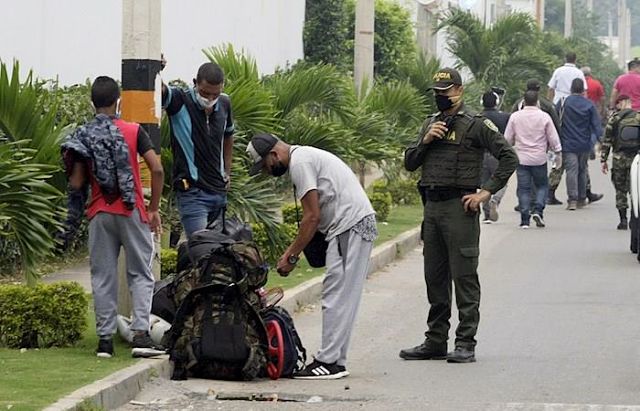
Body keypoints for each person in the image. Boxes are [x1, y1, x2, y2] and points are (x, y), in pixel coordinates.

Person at [400, 68, 518, 363]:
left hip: (459, 208)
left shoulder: (476, 124)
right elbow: (410, 163)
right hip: (433, 208)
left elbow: (509, 157)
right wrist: (426, 140)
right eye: (437, 92)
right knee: (435, 277)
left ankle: (465, 342)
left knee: (464, 277)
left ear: (459, 91)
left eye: (446, 91)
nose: (441, 96)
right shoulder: (430, 123)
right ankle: (435, 340)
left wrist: (485, 192)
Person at [246, 133, 377, 379]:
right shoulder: (304, 156)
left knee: (335, 296)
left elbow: (312, 217)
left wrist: (291, 256)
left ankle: (329, 362)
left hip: (349, 226)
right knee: (343, 296)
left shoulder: (300, 163)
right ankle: (336, 360)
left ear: (274, 154)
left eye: (265, 165)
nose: (266, 171)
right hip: (354, 224)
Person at [62, 76, 164, 358]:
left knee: (103, 276)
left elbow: (77, 182)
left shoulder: (82, 135)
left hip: (99, 213)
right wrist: (153, 208)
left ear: (91, 102)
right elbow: (156, 169)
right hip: (132, 211)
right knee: (140, 273)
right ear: (118, 101)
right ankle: (141, 336)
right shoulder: (133, 131)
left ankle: (105, 342)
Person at [161, 62, 234, 238]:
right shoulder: (180, 100)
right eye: (205, 93)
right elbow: (159, 90)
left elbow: (229, 135)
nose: (209, 99)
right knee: (202, 249)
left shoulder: (224, 103)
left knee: (218, 255)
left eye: (215, 94)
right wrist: (157, 69)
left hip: (218, 191)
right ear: (195, 83)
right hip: (192, 192)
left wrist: (227, 170)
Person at [504, 90, 562, 228]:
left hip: (521, 158)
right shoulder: (544, 117)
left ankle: (525, 220)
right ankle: (538, 210)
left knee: (523, 188)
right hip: (539, 158)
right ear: (537, 102)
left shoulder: (515, 117)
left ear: (523, 102)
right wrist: (558, 152)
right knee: (542, 185)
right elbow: (553, 137)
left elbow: (507, 138)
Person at [559, 78, 603, 210]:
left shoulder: (563, 103)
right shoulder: (589, 105)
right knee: (582, 170)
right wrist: (601, 142)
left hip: (568, 143)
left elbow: (555, 120)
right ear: (583, 90)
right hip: (584, 143)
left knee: (571, 171)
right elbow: (597, 126)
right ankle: (582, 198)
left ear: (571, 89)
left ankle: (572, 200)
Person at [600, 95, 639, 229]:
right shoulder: (638, 117)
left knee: (620, 190)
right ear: (630, 103)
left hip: (619, 159)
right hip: (636, 159)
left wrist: (603, 160)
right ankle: (635, 219)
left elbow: (607, 141)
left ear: (620, 103)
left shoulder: (614, 119)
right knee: (636, 190)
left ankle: (623, 220)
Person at [480, 90, 510, 223]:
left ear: (482, 102)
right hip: (498, 155)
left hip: (481, 155)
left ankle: (487, 215)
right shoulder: (505, 117)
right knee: (502, 181)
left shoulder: (477, 117)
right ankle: (495, 199)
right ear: (497, 102)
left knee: (485, 184)